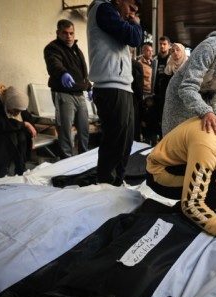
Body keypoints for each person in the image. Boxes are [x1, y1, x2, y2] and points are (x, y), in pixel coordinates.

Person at [87, 0, 143, 186]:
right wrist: (136, 23)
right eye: (130, 8)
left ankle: (117, 182)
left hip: (122, 86)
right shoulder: (103, 9)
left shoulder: (115, 16)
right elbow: (135, 38)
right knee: (115, 141)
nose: (131, 15)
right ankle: (105, 185)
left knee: (125, 141)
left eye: (135, 13)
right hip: (110, 86)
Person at [44, 19, 92, 159]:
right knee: (65, 132)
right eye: (65, 33)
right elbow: (54, 64)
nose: (69, 37)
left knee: (84, 130)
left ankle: (84, 161)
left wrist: (89, 87)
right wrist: (63, 73)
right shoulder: (52, 48)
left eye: (71, 33)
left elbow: (83, 72)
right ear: (58, 33)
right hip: (63, 94)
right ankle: (67, 163)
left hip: (79, 94)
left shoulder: (77, 50)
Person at [152, 36, 172, 139]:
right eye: (160, 44)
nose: (162, 46)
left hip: (167, 94)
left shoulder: (172, 60)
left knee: (166, 117)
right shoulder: (155, 59)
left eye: (164, 44)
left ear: (169, 46)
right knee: (156, 117)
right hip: (156, 94)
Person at [131, 47, 144, 142]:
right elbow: (139, 85)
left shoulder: (136, 65)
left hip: (132, 98)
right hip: (133, 98)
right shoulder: (136, 65)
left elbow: (138, 84)